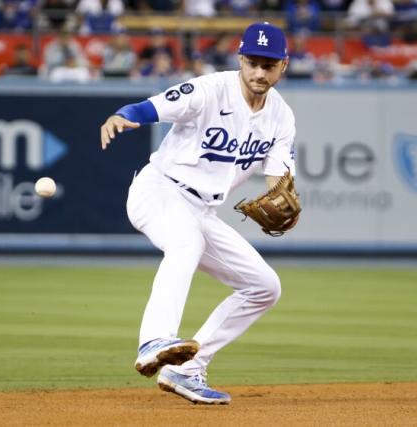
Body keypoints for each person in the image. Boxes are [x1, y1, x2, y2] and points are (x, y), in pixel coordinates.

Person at [99, 22, 298, 405]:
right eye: (253, 62)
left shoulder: (281, 117)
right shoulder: (209, 90)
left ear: (283, 66)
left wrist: (282, 195)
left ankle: (186, 368)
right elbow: (151, 107)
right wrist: (123, 115)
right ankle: (153, 340)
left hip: (202, 209)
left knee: (264, 287)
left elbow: (279, 178)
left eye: (268, 65)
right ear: (241, 59)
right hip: (159, 189)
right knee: (185, 243)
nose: (259, 72)